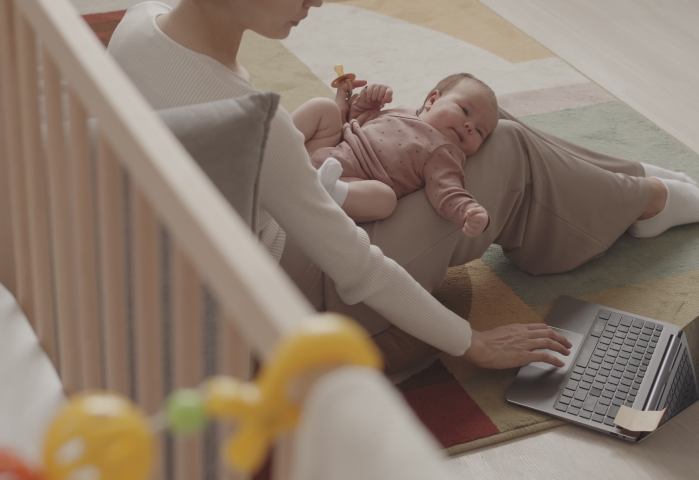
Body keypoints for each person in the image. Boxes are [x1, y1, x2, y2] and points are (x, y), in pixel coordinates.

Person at [107, 0, 699, 373]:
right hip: (304, 298)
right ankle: (647, 199)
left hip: (226, 263)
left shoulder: (139, 25)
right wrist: (472, 343)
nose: (317, 2)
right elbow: (358, 268)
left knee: (467, 123)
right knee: (502, 146)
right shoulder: (250, 122)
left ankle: (633, 183)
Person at [292, 74, 497, 233]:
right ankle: (277, 141)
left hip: (351, 181)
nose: (470, 126)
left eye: (480, 131)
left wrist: (468, 211)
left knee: (385, 200)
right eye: (465, 111)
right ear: (432, 100)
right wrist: (368, 101)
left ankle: (326, 191)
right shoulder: (403, 111)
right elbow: (358, 122)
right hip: (328, 151)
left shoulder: (445, 153)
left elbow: (448, 189)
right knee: (324, 107)